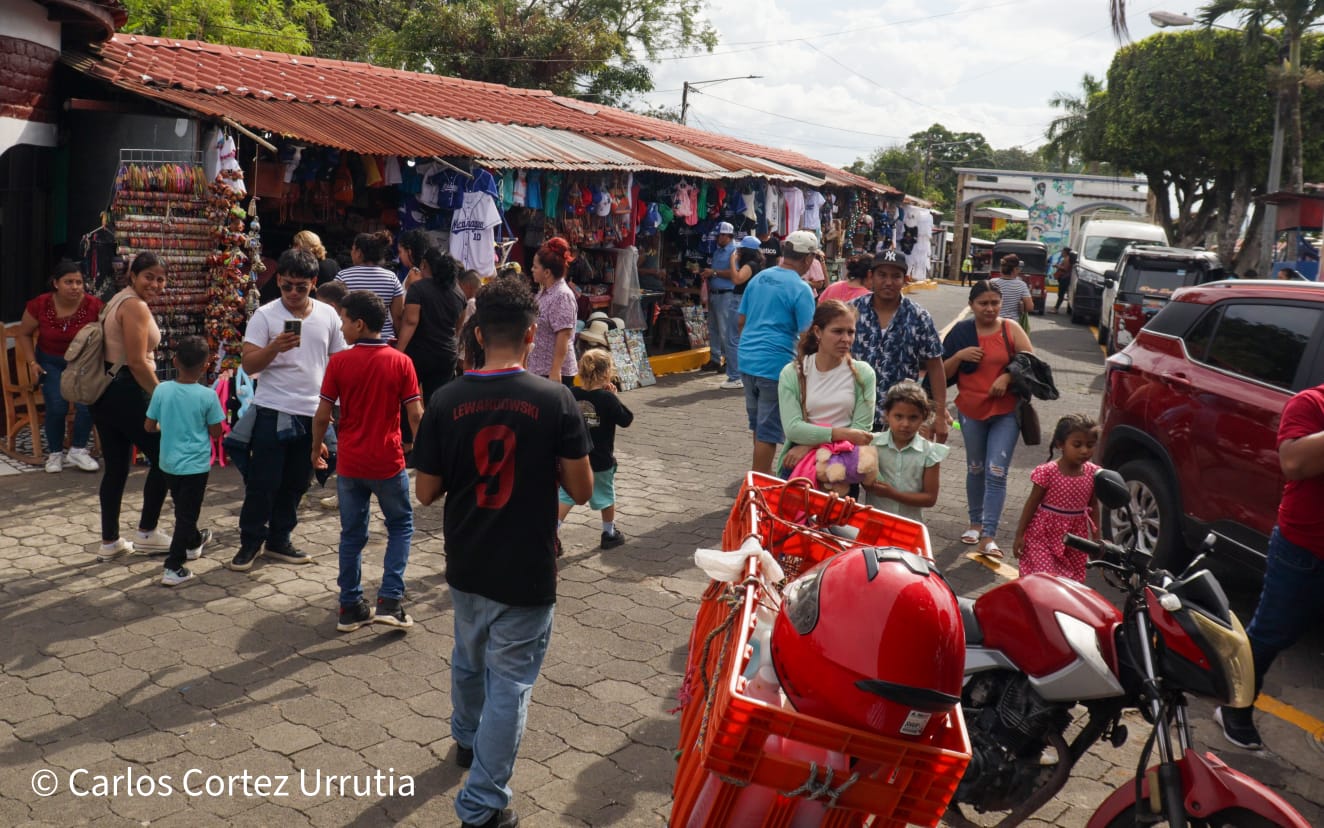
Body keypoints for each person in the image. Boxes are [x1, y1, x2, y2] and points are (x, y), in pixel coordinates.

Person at [412, 277, 593, 828]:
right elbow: (583, 491)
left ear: (478, 334)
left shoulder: (446, 399)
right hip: (527, 566)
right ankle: (483, 802)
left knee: (469, 655)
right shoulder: (555, 399)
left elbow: (424, 492)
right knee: (510, 683)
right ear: (532, 333)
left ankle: (466, 739)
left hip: (467, 557)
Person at [1215, 381, 1324, 751]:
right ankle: (1235, 706)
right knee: (1270, 633)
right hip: (1304, 551)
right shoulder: (1311, 403)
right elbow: (1293, 462)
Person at [229, 248, 347, 572]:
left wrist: (336, 405)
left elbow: (339, 362)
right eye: (287, 286)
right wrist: (273, 348)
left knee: (297, 481)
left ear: (313, 282)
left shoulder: (328, 315)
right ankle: (250, 542)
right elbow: (249, 364)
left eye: (301, 287)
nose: (293, 293)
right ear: (278, 281)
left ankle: (280, 539)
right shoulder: (265, 315)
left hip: (313, 412)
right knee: (263, 482)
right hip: (272, 408)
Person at [312, 290, 423, 632]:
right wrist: (428, 452)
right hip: (388, 462)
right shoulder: (400, 362)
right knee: (401, 526)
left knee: (352, 534)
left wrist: (315, 449)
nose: (341, 326)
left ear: (359, 324)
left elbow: (322, 414)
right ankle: (389, 600)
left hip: (351, 464)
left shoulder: (340, 363)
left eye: (344, 320)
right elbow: (416, 414)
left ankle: (350, 606)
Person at [942, 280, 1034, 559]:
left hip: (1006, 413)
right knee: (976, 468)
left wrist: (1007, 377)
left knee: (997, 471)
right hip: (970, 412)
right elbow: (941, 373)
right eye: (983, 303)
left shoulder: (1010, 329)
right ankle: (974, 523)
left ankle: (989, 536)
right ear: (971, 305)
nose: (990, 308)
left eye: (995, 302)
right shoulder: (961, 332)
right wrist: (959, 355)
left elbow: (1031, 363)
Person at [93, 252, 174, 562]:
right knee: (165, 457)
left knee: (115, 468)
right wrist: (161, 397)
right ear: (133, 276)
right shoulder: (135, 307)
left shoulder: (117, 299)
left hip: (106, 391)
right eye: (148, 276)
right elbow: (139, 363)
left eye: (160, 278)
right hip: (128, 390)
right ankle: (147, 533)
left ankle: (110, 541)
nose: (154, 283)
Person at [144, 336, 225, 586]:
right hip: (195, 465)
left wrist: (168, 423)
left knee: (183, 508)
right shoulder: (207, 396)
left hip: (168, 462)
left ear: (175, 360)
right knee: (186, 514)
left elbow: (149, 426)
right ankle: (174, 565)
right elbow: (216, 431)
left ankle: (193, 541)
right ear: (205, 366)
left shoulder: (162, 389)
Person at [738, 230, 818, 474]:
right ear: (808, 259)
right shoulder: (801, 289)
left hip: (747, 360)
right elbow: (807, 337)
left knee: (759, 427)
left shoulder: (760, 278)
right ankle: (758, 489)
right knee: (768, 432)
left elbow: (741, 321)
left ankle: (759, 476)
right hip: (775, 365)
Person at [850, 248, 948, 440]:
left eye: (896, 276)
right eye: (882, 275)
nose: (888, 282)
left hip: (900, 422)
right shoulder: (851, 311)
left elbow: (935, 367)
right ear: (871, 276)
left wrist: (940, 415)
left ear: (905, 279)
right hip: (852, 415)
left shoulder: (919, 317)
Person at [16, 261, 103, 473]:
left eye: (79, 282)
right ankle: (55, 454)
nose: (75, 287)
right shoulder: (40, 304)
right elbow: (24, 334)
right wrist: (32, 362)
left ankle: (78, 450)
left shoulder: (94, 305)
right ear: (55, 283)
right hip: (49, 361)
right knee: (57, 405)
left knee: (86, 404)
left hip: (82, 363)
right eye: (69, 282)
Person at [775, 299, 876, 476]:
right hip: (798, 466)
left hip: (842, 467)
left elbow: (861, 431)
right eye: (837, 331)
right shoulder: (793, 373)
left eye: (850, 332)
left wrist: (809, 445)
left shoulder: (863, 374)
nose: (846, 339)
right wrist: (843, 433)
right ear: (817, 332)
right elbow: (793, 429)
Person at [557, 349, 634, 550]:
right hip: (600, 459)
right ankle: (608, 533)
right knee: (606, 495)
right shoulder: (607, 399)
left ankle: (551, 534)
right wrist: (614, 398)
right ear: (607, 372)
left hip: (574, 457)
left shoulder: (571, 394)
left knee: (565, 496)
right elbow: (626, 419)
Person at [1012, 414, 1102, 581]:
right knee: (1044, 578)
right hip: (1043, 534)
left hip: (1075, 539)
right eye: (1077, 445)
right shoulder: (1048, 472)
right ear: (1061, 444)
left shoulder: (1093, 473)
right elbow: (1032, 503)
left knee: (1070, 584)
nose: (1084, 450)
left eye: (1090, 445)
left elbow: (1094, 506)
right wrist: (1020, 535)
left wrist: (1097, 540)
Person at [866, 380, 949, 521]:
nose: (905, 424)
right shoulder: (872, 444)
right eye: (898, 416)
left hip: (909, 527)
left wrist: (893, 494)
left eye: (913, 418)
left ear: (924, 416)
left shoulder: (929, 452)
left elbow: (930, 498)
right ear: (887, 414)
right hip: (875, 523)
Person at [397, 248, 466, 403]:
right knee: (437, 403)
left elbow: (410, 322)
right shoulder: (458, 292)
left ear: (424, 264)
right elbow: (457, 327)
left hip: (419, 355)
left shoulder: (418, 288)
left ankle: (412, 428)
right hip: (446, 356)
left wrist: (398, 353)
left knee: (408, 401)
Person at [335, 231, 405, 341]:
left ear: (358, 253)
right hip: (384, 340)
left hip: (351, 340)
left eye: (352, 250)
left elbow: (335, 311)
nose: (351, 253)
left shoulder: (343, 277)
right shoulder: (391, 278)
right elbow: (398, 317)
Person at [528, 237, 579, 387]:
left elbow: (563, 335)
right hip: (538, 369)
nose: (532, 270)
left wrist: (555, 371)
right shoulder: (544, 292)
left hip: (552, 372)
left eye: (535, 267)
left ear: (547, 272)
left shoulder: (562, 296)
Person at [702, 221, 742, 388]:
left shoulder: (734, 252)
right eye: (717, 235)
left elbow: (735, 274)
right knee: (713, 328)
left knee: (725, 329)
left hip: (727, 295)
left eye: (721, 235)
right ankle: (715, 358)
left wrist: (714, 272)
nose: (718, 238)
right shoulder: (719, 251)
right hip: (715, 293)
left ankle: (728, 360)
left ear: (728, 235)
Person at [991, 254, 1033, 323]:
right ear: (1015, 269)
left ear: (1001, 268)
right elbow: (1030, 307)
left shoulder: (992, 282)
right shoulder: (1021, 285)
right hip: (1012, 324)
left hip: (994, 322)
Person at [398, 228, 430, 293]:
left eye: (400, 251)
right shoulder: (425, 271)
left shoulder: (415, 275)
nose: (399, 256)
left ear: (409, 252)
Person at [1052, 247, 1076, 313]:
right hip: (1064, 278)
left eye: (1063, 251)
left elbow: (1065, 269)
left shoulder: (1067, 259)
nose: (1061, 253)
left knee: (1061, 294)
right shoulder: (1066, 258)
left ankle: (1056, 309)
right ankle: (1056, 308)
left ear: (1065, 252)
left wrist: (1057, 266)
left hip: (1065, 278)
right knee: (1061, 294)